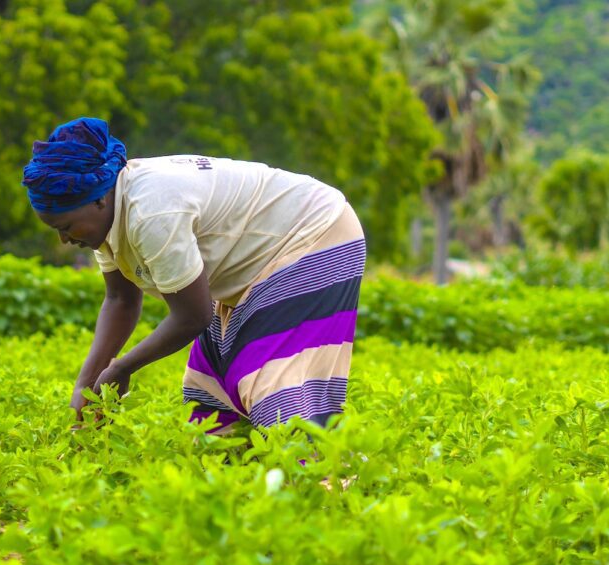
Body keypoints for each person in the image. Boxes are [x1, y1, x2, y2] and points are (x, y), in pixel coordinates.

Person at [23, 117, 366, 431]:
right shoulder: (107, 213)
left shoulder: (150, 212)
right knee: (210, 389)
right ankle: (246, 491)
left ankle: (320, 486)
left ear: (98, 200)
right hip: (257, 265)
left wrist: (121, 368)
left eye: (66, 227)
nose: (65, 239)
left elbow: (193, 316)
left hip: (314, 232)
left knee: (270, 383)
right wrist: (87, 381)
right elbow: (121, 299)